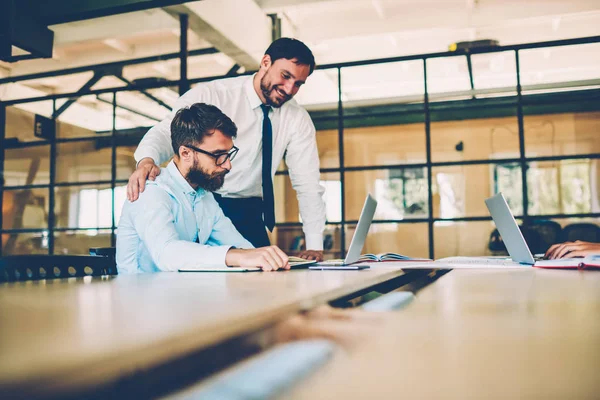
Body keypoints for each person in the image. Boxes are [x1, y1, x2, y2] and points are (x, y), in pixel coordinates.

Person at [127, 37, 326, 261]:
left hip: (249, 210)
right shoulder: (214, 94)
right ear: (266, 62)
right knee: (200, 269)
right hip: (206, 197)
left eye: (298, 83)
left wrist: (314, 244)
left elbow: (307, 183)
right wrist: (146, 160)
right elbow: (168, 131)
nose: (290, 88)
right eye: (285, 76)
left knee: (264, 274)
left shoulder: (297, 118)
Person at [116, 103, 290, 273]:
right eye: (218, 155)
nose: (228, 165)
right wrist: (237, 256)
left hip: (182, 295)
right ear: (186, 153)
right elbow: (166, 253)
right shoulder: (151, 191)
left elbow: (240, 245)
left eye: (228, 154)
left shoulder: (204, 196)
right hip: (140, 297)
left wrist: (263, 256)